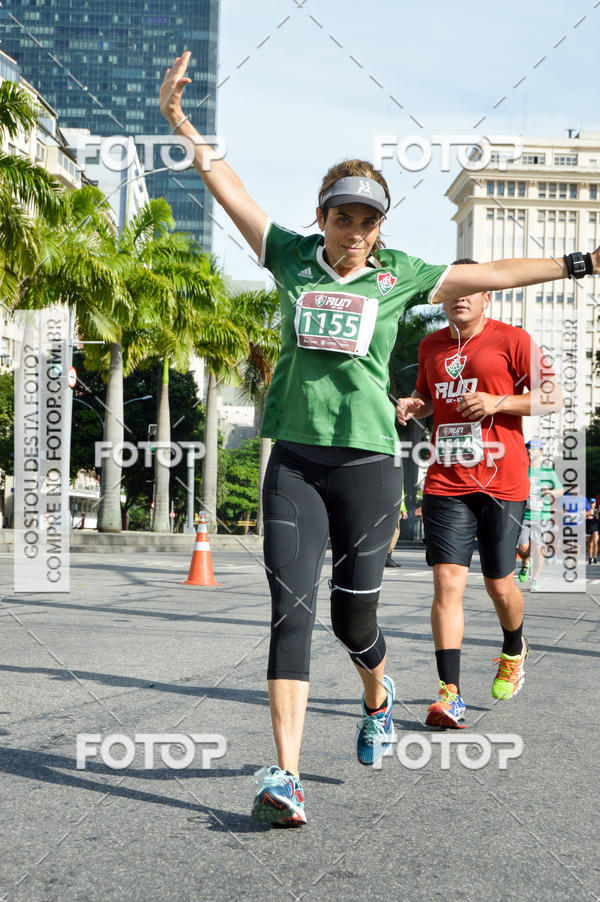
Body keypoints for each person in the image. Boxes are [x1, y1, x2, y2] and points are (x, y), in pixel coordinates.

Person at [160, 53, 598, 823]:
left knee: (351, 620)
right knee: (291, 612)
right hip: (293, 461)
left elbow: (489, 274)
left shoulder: (401, 273)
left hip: (368, 469)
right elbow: (231, 192)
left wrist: (582, 261)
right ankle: (285, 776)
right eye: (342, 216)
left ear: (380, 227)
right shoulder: (291, 256)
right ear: (322, 217)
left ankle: (377, 692)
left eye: (367, 219)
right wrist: (182, 124)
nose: (354, 232)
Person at [396, 261, 562, 729]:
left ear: (488, 294)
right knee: (447, 583)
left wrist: (499, 402)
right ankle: (449, 695)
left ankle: (514, 646)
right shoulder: (431, 345)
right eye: (452, 290)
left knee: (498, 583)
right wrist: (416, 404)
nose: (460, 297)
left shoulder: (513, 339)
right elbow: (430, 398)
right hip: (447, 479)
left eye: (471, 289)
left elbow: (552, 397)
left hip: (502, 479)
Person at [517, 440, 563, 590]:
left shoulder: (548, 471)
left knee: (538, 549)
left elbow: (560, 490)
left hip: (541, 516)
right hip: (523, 515)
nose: (529, 451)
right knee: (523, 548)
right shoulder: (522, 470)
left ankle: (535, 578)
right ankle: (525, 563)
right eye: (527, 448)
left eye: (533, 448)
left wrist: (550, 492)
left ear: (541, 452)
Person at [586, 498, 599, 564]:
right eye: (591, 503)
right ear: (589, 504)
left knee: (595, 542)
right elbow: (583, 516)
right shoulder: (586, 510)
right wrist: (587, 516)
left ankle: (595, 557)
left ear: (595, 504)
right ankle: (590, 558)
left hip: (595, 529)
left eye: (593, 503)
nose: (592, 504)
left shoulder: (597, 510)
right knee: (590, 545)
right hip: (588, 528)